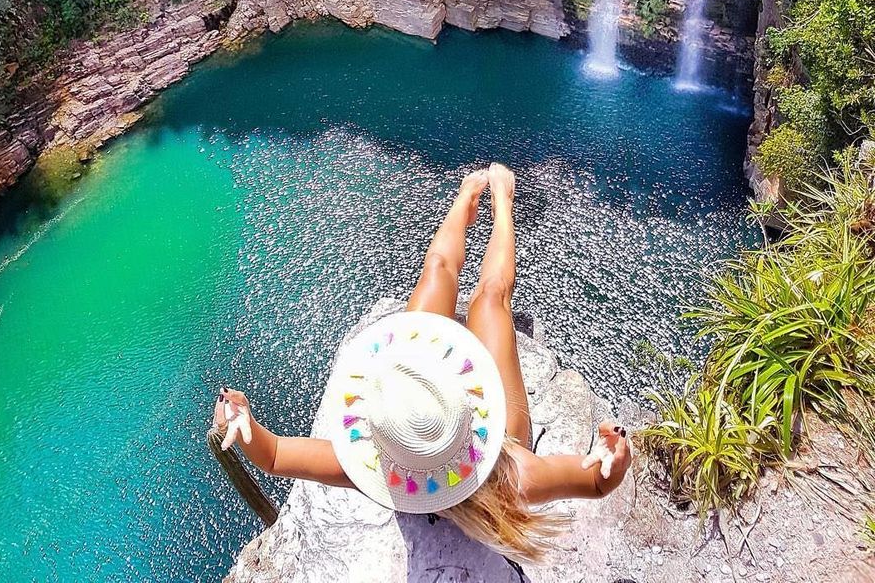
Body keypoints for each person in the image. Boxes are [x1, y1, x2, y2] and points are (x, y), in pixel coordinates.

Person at [213, 163, 632, 563]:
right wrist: (613, 460)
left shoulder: (377, 457)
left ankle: (467, 199)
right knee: (490, 299)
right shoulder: (513, 475)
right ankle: (502, 202)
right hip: (498, 431)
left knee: (438, 269)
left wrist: (244, 423)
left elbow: (275, 455)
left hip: (448, 404)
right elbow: (594, 482)